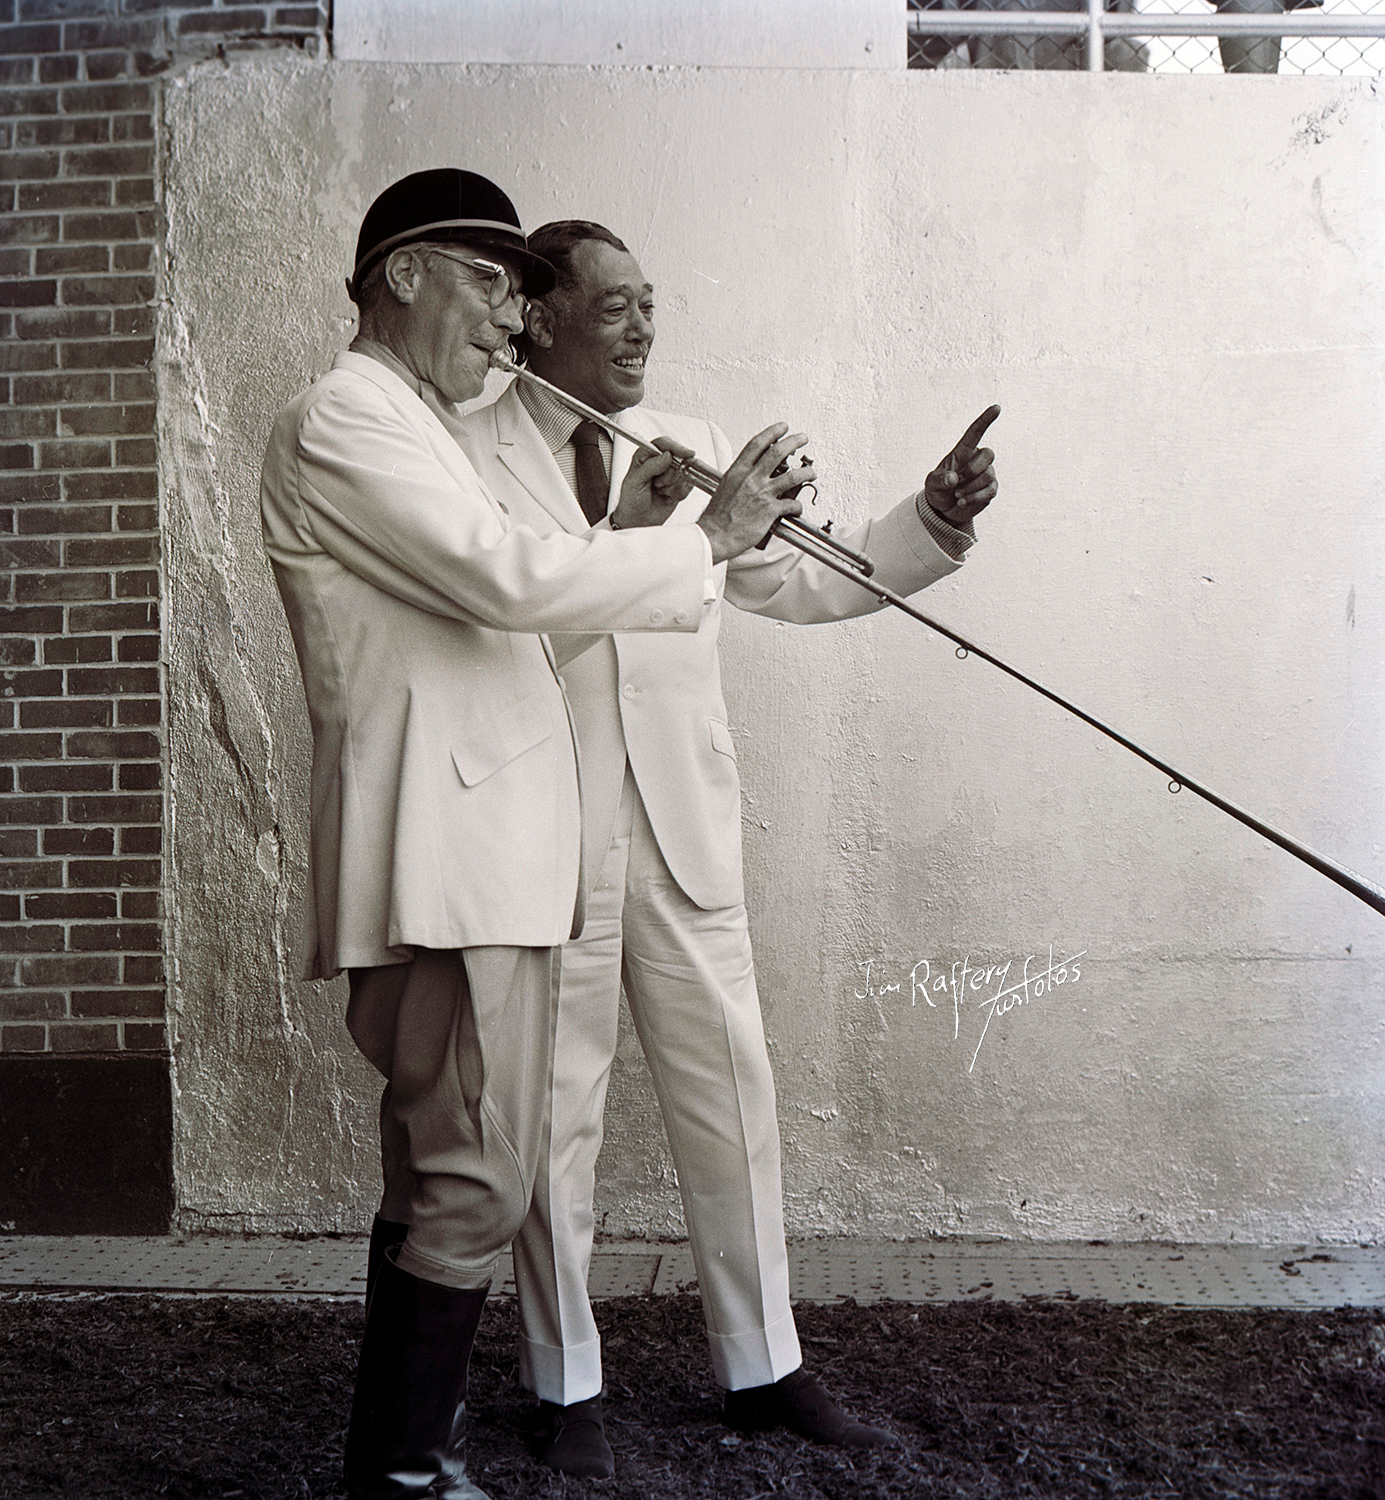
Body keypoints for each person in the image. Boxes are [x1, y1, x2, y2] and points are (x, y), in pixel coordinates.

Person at [259, 171, 808, 1500]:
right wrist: (705, 539)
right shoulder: (349, 416)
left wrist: (625, 533)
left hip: (478, 859)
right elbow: (506, 582)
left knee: (455, 1174)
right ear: (402, 276)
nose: (510, 321)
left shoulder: (414, 426)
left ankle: (407, 1460)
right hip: (442, 862)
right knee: (472, 1180)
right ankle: (402, 1472)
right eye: (490, 283)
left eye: (517, 292)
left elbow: (514, 627)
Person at [457, 220, 1000, 1479]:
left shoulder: (690, 445)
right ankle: (563, 1383)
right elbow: (508, 616)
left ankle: (762, 1369)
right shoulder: (468, 456)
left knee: (735, 1107)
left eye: (652, 303)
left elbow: (811, 582)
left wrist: (928, 518)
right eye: (613, 306)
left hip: (684, 839)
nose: (643, 327)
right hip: (545, 846)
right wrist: (650, 539)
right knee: (551, 1121)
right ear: (538, 318)